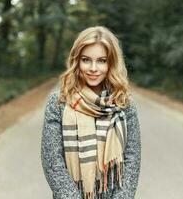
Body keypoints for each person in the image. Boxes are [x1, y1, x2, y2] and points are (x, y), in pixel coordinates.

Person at [41, 26, 141, 199]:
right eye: (86, 60)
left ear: (111, 63)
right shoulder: (58, 103)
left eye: (102, 60)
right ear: (76, 61)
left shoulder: (124, 104)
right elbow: (52, 161)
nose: (93, 68)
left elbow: (132, 160)